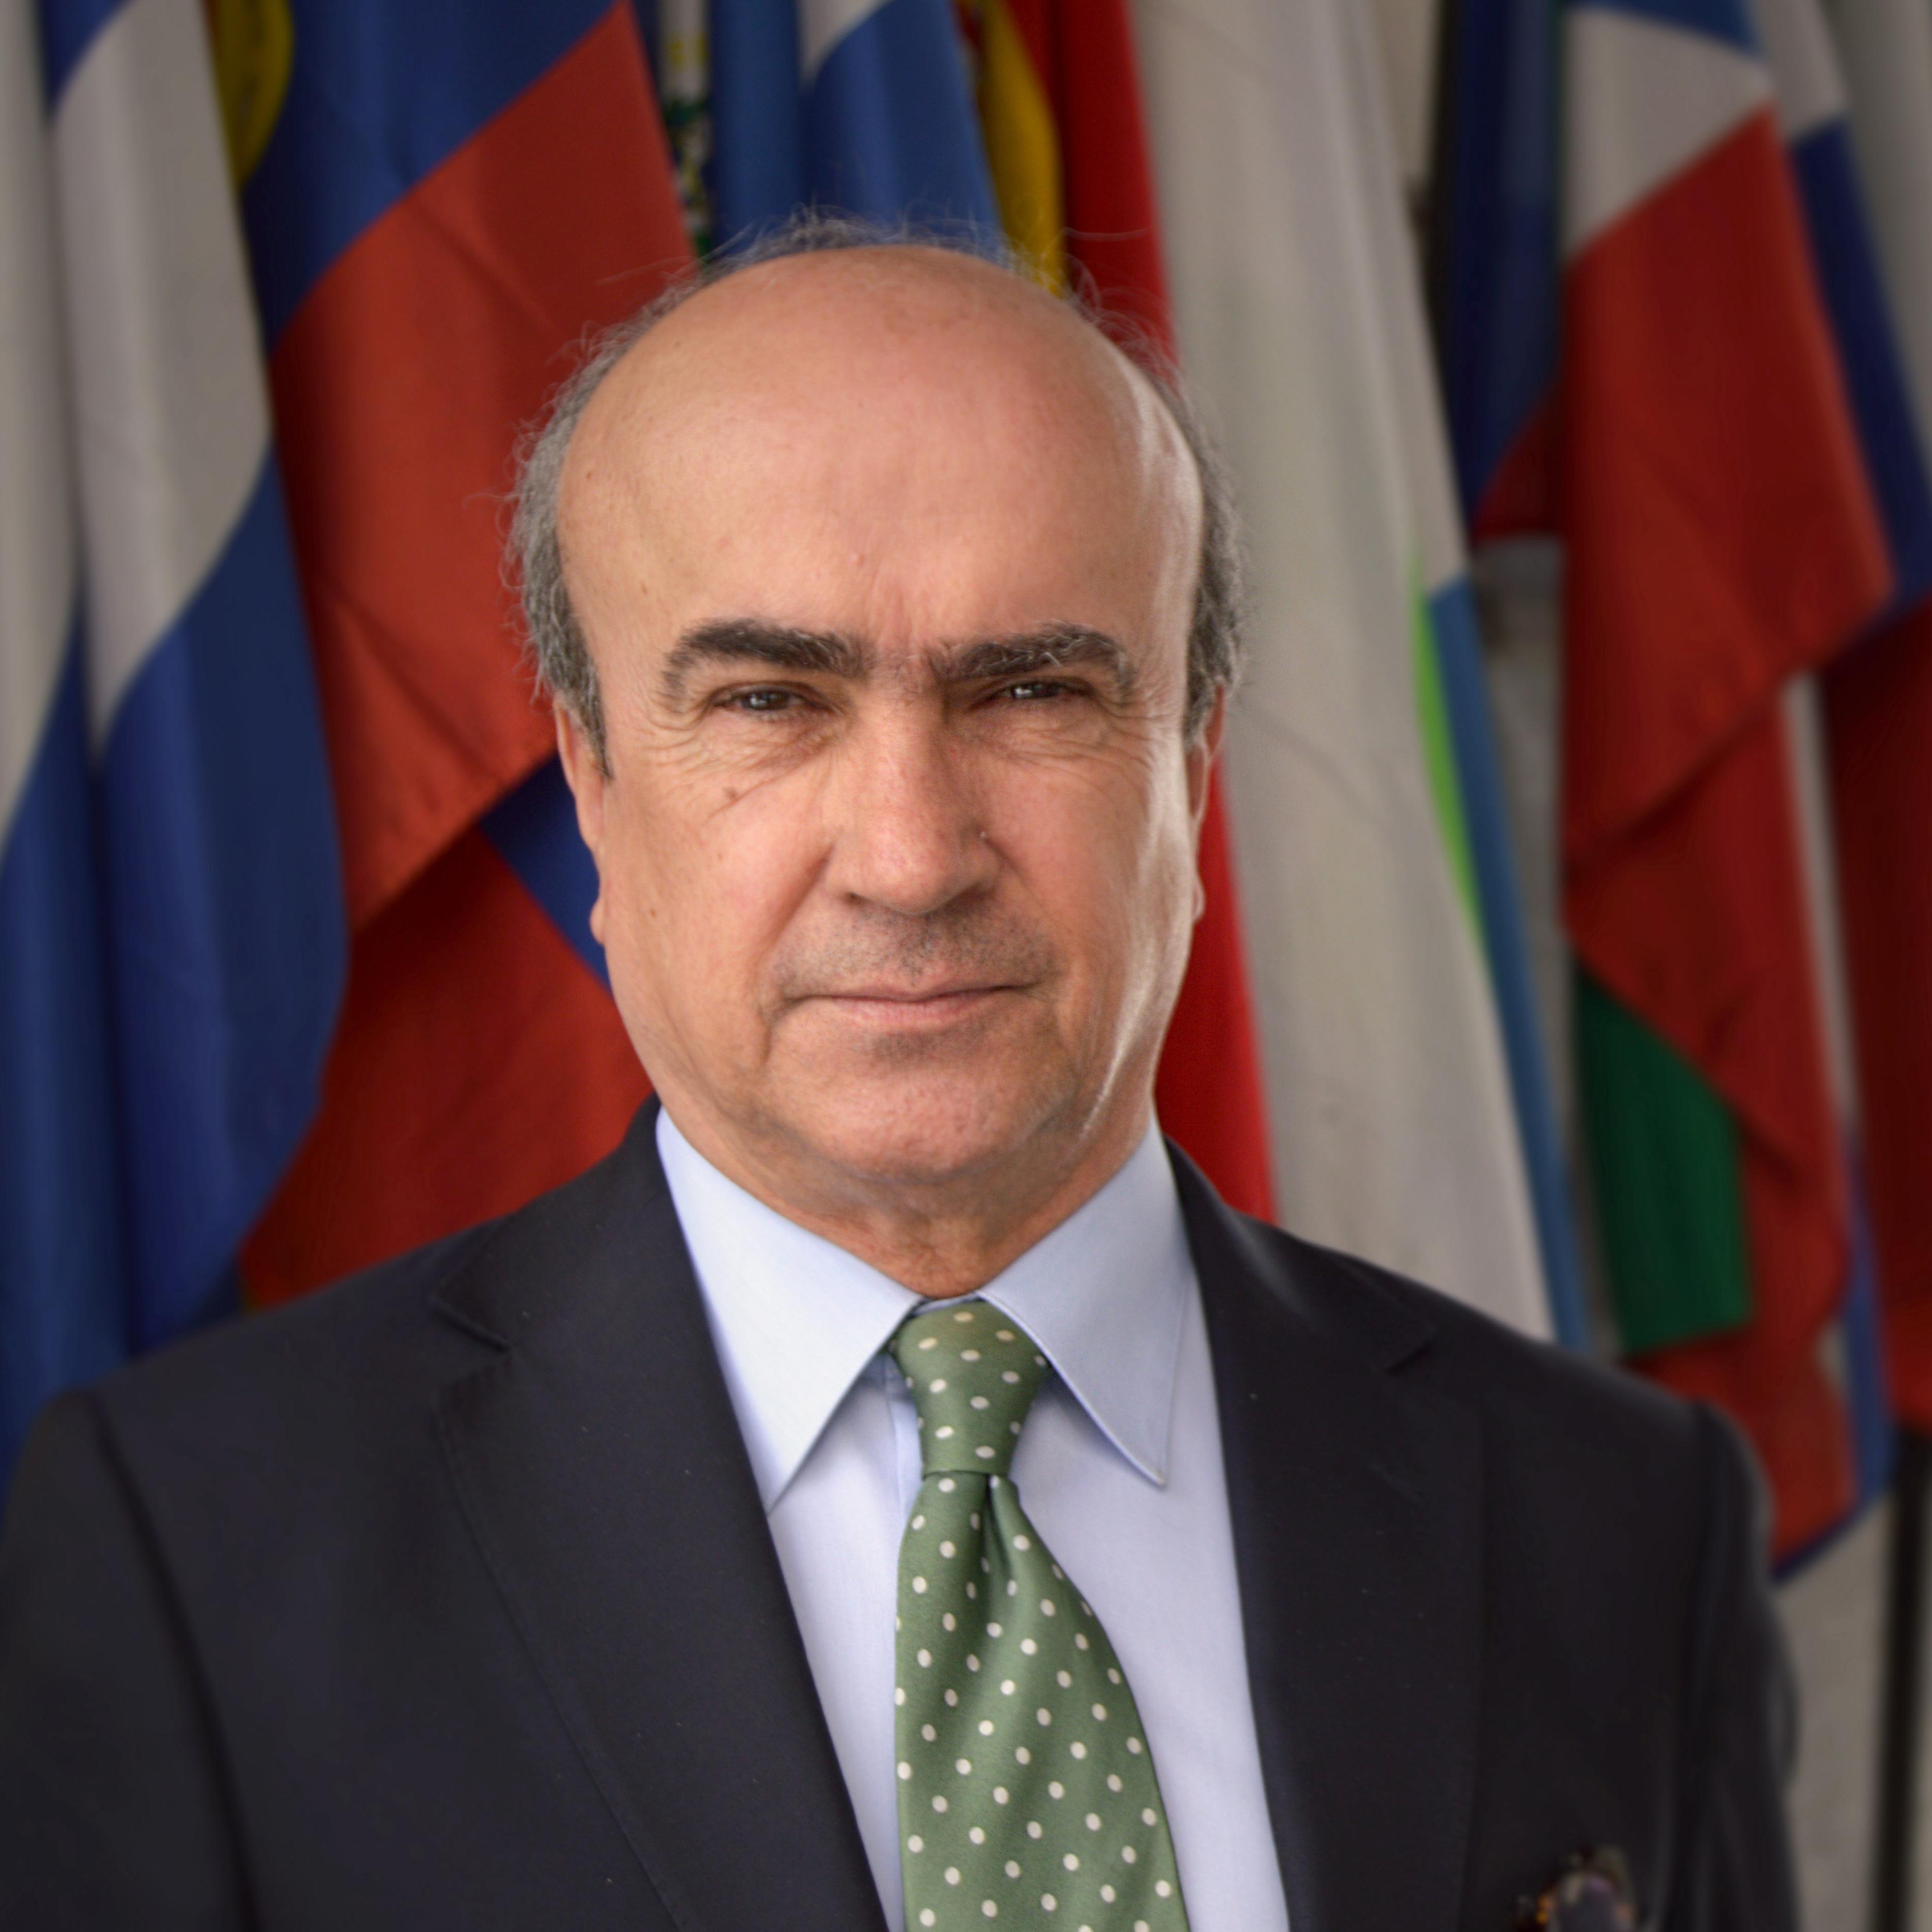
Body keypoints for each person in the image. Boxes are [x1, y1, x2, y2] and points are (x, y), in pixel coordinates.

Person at [0, 225, 1795, 1932]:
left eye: (1033, 693)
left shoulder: (1628, 1526)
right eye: (769, 703)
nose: (912, 855)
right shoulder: (193, 1558)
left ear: (1191, 768)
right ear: (596, 787)